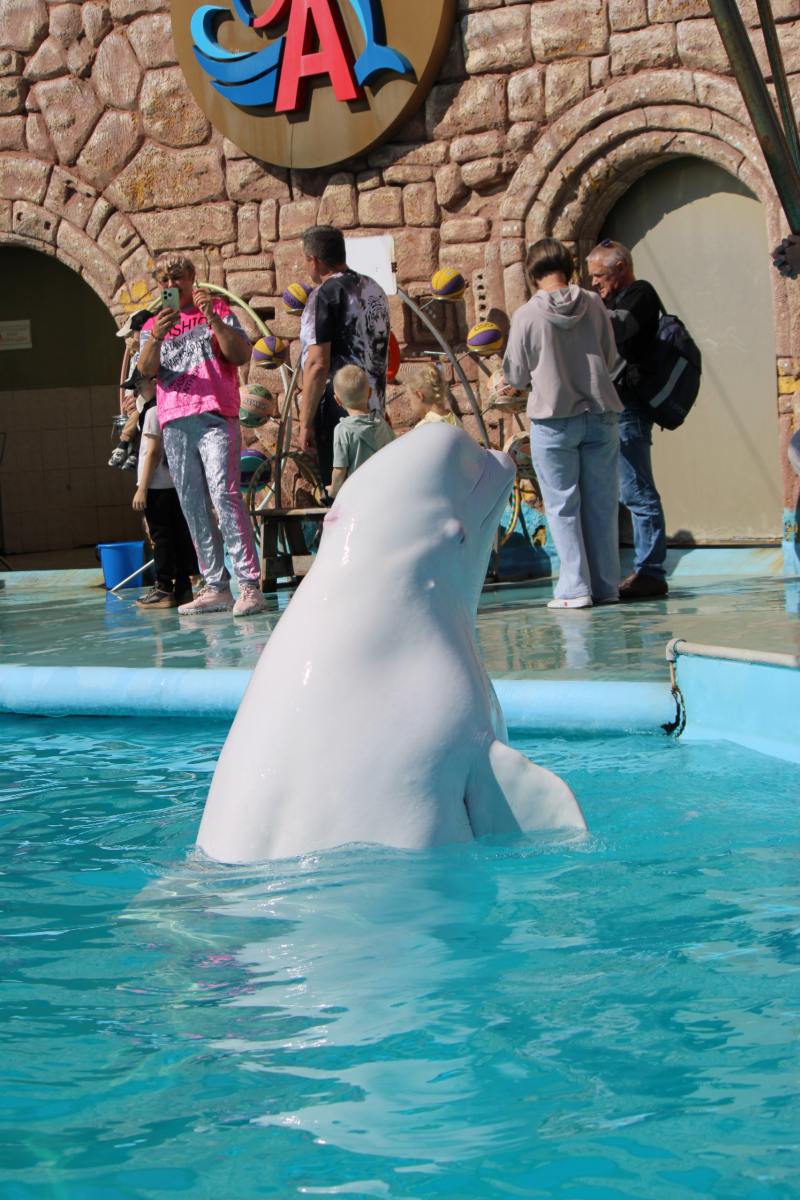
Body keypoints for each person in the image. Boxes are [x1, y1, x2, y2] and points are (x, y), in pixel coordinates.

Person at [137, 254, 267, 617]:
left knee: (224, 495)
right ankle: (215, 586)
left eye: (177, 277)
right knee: (192, 503)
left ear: (192, 277)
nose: (170, 285)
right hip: (175, 420)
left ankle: (250, 585)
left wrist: (212, 318)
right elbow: (145, 370)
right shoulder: (152, 325)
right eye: (163, 280)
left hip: (215, 415)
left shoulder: (218, 309)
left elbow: (240, 355)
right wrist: (156, 336)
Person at [502, 237, 623, 609]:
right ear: (569, 268)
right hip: (600, 413)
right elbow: (611, 359)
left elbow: (515, 374)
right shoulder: (595, 303)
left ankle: (574, 589)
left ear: (532, 273)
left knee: (562, 505)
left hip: (554, 419)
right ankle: (606, 587)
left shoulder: (526, 315)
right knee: (602, 505)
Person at [587, 239, 669, 600]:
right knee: (620, 490)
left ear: (620, 268)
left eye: (599, 275)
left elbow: (618, 329)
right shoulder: (605, 301)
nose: (594, 283)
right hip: (609, 408)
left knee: (637, 489)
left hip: (629, 408)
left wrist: (579, 307)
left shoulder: (640, 294)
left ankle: (651, 571)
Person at [299, 225, 390, 486]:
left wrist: (305, 422)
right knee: (374, 487)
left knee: (341, 492)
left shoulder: (326, 294)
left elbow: (318, 363)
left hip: (340, 414)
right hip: (374, 410)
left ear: (314, 260)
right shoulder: (374, 288)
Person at [131, 398, 198, 609]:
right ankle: (183, 587)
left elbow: (153, 452)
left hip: (156, 485)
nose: (136, 392)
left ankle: (163, 587)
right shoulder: (178, 406)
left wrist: (142, 488)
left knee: (161, 537)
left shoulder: (153, 411)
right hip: (177, 482)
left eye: (139, 386)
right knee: (180, 535)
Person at [328, 365, 395, 499]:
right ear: (370, 393)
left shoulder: (343, 430)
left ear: (338, 400)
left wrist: (333, 491)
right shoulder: (382, 424)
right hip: (383, 493)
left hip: (357, 496)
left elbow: (340, 470)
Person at [110, 309, 152, 469]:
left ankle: (125, 443)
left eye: (131, 334)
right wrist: (129, 400)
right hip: (138, 402)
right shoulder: (134, 356)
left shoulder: (154, 348)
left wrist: (141, 348)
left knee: (141, 408)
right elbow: (130, 381)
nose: (128, 340)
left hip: (150, 402)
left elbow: (152, 371)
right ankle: (133, 450)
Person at [405, 363, 463, 430]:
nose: (410, 404)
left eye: (410, 399)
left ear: (419, 395)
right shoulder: (455, 420)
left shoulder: (422, 428)